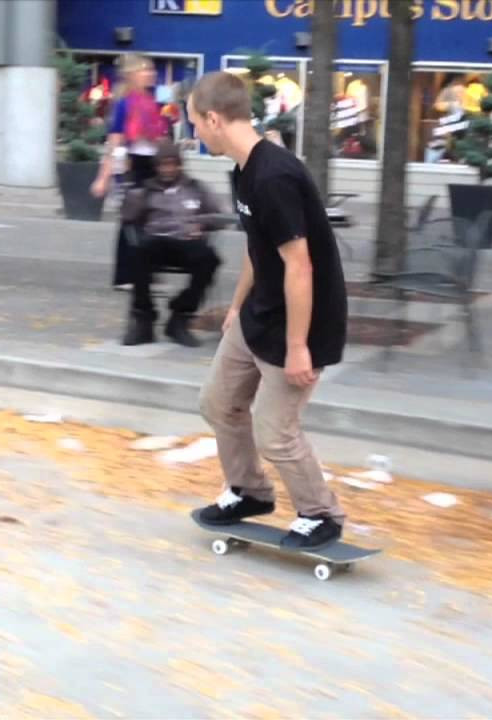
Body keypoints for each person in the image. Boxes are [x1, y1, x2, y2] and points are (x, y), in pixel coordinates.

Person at [187, 71, 348, 551]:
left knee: (275, 432)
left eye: (195, 123)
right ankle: (250, 492)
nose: (194, 134)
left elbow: (300, 265)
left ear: (214, 119)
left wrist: (299, 347)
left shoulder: (274, 175)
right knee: (218, 403)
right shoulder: (242, 170)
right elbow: (262, 251)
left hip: (302, 320)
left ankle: (322, 514)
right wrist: (236, 306)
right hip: (260, 312)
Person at [120, 140, 227, 347]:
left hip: (186, 241)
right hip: (156, 241)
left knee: (210, 258)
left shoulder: (196, 188)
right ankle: (144, 319)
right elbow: (127, 218)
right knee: (137, 251)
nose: (167, 169)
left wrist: (201, 223)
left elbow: (221, 217)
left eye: (171, 164)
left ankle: (181, 315)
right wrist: (130, 195)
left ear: (179, 164)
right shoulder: (147, 190)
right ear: (157, 166)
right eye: (163, 164)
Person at [91, 54, 168, 291]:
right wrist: (104, 176)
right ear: (133, 74)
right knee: (132, 221)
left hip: (150, 164)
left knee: (149, 219)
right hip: (131, 166)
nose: (151, 74)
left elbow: (157, 137)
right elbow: (115, 142)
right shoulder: (126, 103)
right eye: (146, 70)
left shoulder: (149, 102)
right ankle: (126, 275)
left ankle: (143, 272)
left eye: (152, 70)